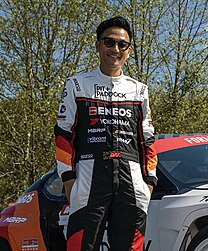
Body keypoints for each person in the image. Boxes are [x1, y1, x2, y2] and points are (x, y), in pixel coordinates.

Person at [54, 16, 158, 251]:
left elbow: (148, 139)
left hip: (131, 181)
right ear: (98, 45)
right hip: (89, 179)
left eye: (122, 45)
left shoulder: (139, 90)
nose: (116, 49)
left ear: (129, 51)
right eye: (109, 42)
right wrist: (69, 180)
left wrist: (149, 181)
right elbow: (63, 134)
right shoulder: (77, 85)